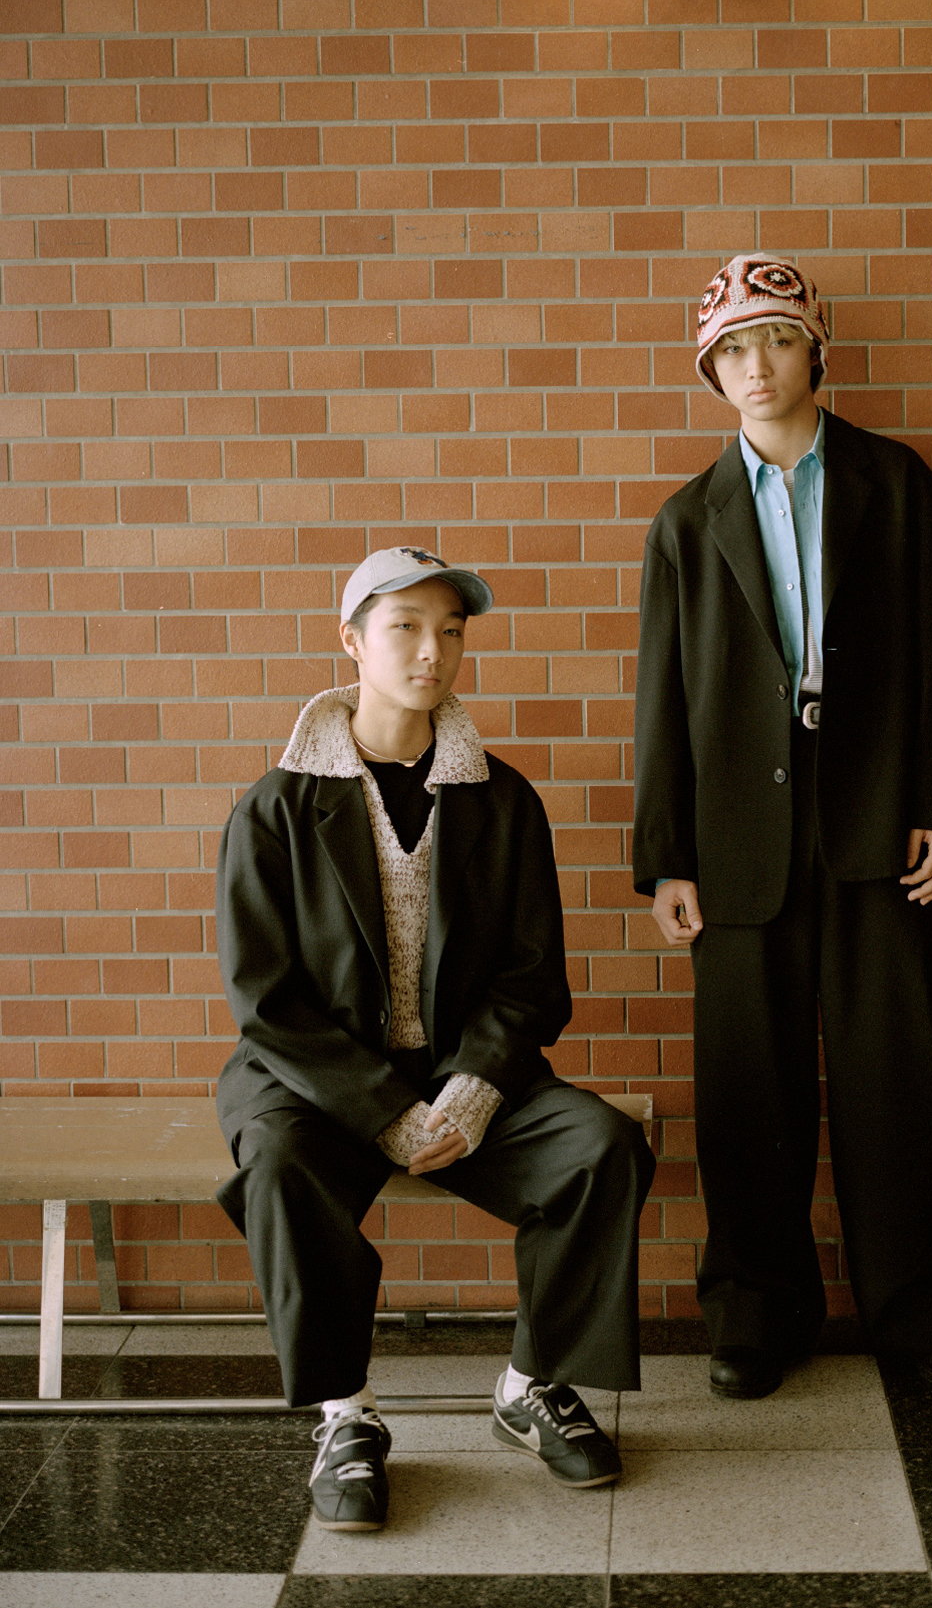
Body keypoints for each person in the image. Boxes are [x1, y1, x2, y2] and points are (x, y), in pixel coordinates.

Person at [215, 545, 656, 1531]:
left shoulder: (501, 799)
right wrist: (386, 1111)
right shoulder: (277, 806)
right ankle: (346, 1415)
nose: (432, 651)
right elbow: (266, 1000)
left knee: (601, 1148)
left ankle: (531, 1385)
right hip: (316, 1083)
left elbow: (531, 978)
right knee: (278, 1163)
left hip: (466, 1075)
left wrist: (468, 1094)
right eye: (406, 627)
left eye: (450, 631)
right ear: (351, 641)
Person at [632, 255, 932, 1401]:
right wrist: (666, 858)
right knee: (749, 1086)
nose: (757, 365)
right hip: (737, 839)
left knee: (901, 1075)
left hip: (880, 817)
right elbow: (662, 698)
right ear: (710, 371)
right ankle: (755, 1313)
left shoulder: (894, 483)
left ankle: (927, 1315)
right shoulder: (686, 521)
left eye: (777, 339)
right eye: (732, 349)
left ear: (815, 350)